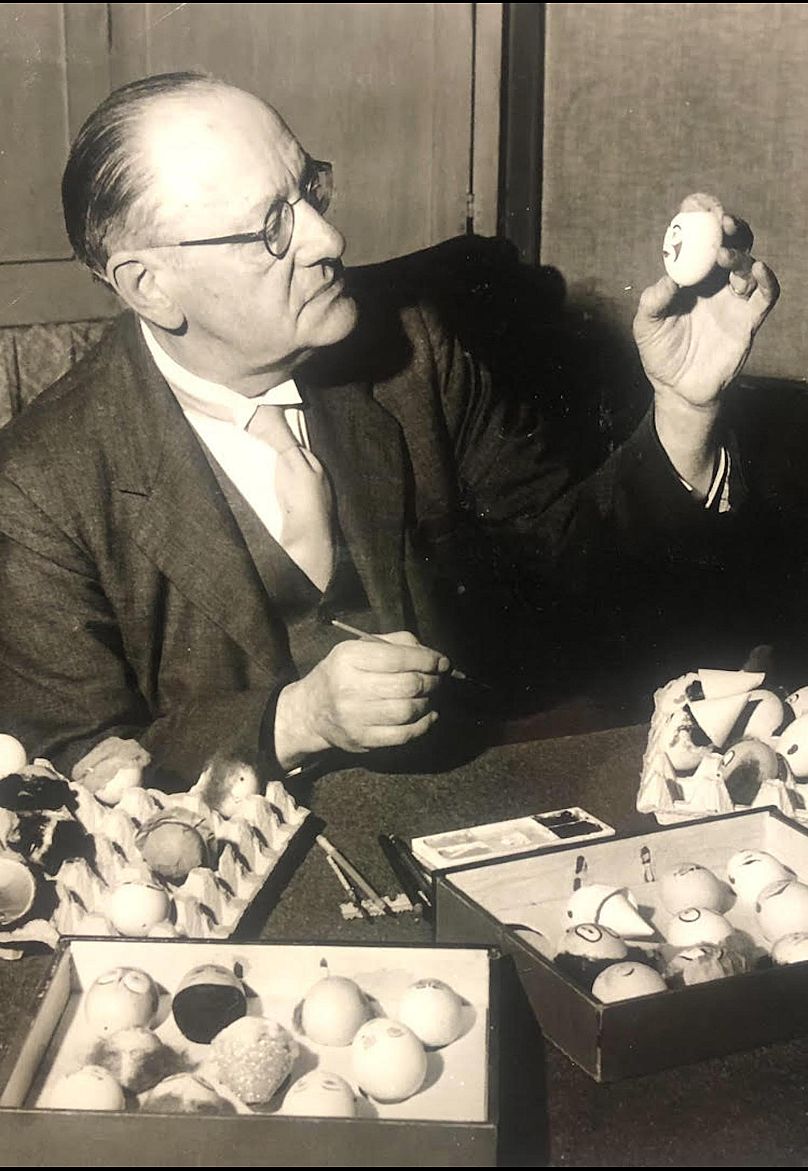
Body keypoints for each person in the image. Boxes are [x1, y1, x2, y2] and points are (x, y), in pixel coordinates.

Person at [0, 72, 779, 790]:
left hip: (468, 790)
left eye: (309, 190)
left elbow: (570, 571)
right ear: (151, 285)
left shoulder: (413, 348)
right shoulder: (40, 483)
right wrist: (293, 721)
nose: (327, 239)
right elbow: (73, 766)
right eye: (273, 226)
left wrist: (682, 407)